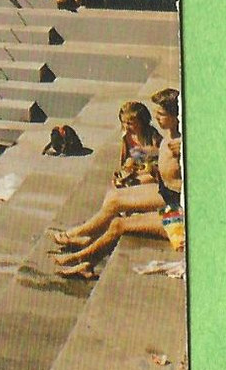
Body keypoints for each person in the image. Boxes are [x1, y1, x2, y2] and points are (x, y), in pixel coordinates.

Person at [52, 90, 181, 278]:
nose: (156, 117)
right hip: (165, 191)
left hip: (178, 209)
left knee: (119, 224)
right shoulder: (169, 136)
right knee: (114, 200)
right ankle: (83, 250)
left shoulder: (181, 144)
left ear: (176, 116)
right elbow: (151, 157)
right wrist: (129, 170)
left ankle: (81, 256)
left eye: (161, 114)